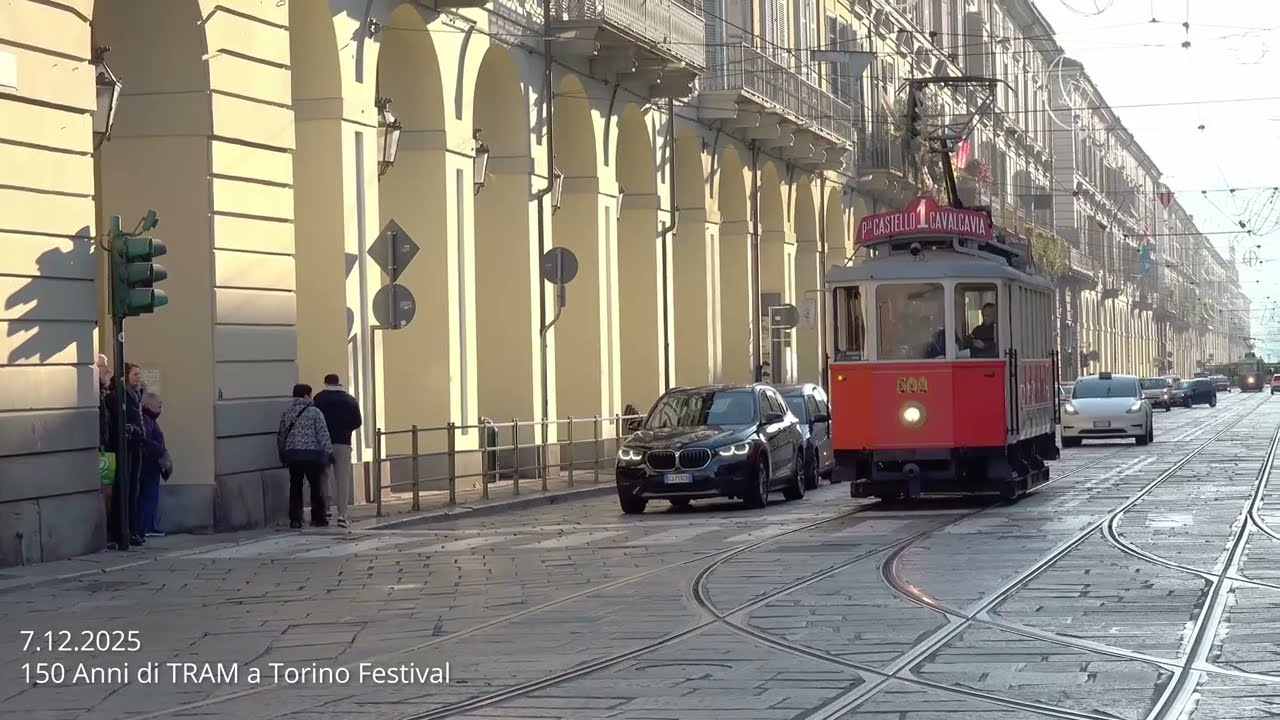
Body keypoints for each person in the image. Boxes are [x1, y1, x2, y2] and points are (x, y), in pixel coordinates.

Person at [277, 383, 333, 529]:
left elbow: (281, 435)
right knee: (315, 487)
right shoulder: (315, 412)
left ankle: (295, 519)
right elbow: (323, 434)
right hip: (312, 456)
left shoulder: (288, 413)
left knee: (295, 487)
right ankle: (318, 518)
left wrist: (282, 453)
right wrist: (327, 453)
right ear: (307, 395)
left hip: (293, 455)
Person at [313, 373, 362, 528]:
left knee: (323, 476)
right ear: (338, 382)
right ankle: (342, 515)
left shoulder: (319, 399)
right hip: (343, 442)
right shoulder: (350, 400)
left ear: (325, 382)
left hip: (322, 444)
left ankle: (326, 510)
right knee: (342, 479)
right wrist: (345, 430)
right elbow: (357, 422)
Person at [104, 363, 145, 547]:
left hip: (135, 444)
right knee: (125, 488)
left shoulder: (135, 394)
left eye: (138, 374)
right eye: (135, 374)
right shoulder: (116, 396)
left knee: (133, 488)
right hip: (124, 446)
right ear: (124, 376)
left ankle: (132, 529)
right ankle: (122, 531)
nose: (138, 377)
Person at [137, 391, 172, 537]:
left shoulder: (149, 419)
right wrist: (160, 451)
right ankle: (145, 527)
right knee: (148, 496)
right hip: (150, 463)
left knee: (150, 496)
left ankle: (148, 525)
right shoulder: (147, 420)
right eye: (158, 406)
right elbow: (146, 441)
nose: (160, 409)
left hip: (152, 462)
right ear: (148, 405)